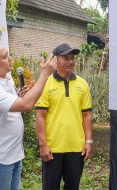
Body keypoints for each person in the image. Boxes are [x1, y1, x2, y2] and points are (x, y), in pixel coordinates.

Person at [0, 40, 56, 190]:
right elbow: (26, 105)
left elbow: (17, 103)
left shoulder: (6, 78)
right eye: (5, 56)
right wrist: (45, 74)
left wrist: (20, 95)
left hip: (13, 151)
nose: (11, 58)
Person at [35, 43, 93, 190]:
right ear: (55, 60)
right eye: (66, 58)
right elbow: (40, 116)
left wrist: (88, 141)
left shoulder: (82, 84)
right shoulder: (45, 83)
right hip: (53, 148)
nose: (71, 61)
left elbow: (86, 115)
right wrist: (43, 145)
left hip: (76, 148)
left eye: (72, 58)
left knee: (73, 187)